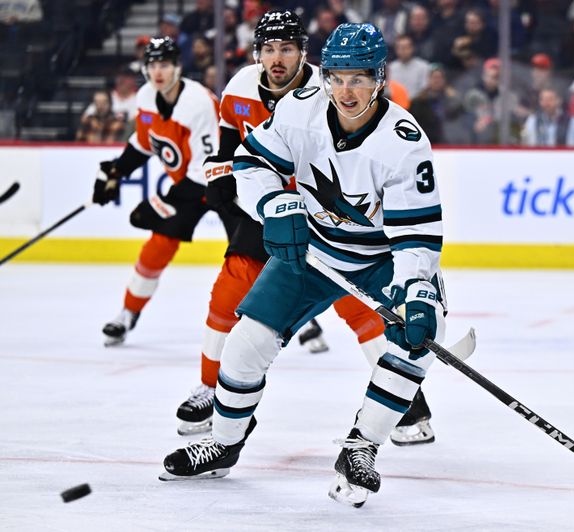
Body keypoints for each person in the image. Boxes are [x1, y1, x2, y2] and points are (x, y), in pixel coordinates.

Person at [161, 22, 446, 509]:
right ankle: (225, 443)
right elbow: (252, 164)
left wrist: (417, 291)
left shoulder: (404, 140)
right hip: (313, 253)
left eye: (358, 78)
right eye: (337, 76)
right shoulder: (299, 110)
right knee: (245, 342)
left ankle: (361, 448)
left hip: (380, 260)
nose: (346, 90)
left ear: (379, 78)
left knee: (414, 342)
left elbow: (416, 236)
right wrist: (274, 205)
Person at [91, 37, 220, 346]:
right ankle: (127, 313)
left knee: (255, 253)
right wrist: (118, 170)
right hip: (190, 186)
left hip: (227, 184)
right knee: (157, 247)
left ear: (178, 67)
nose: (158, 72)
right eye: (152, 65)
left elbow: (207, 169)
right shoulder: (146, 96)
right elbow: (146, 141)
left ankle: (305, 324)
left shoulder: (199, 103)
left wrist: (161, 203)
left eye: (164, 65)